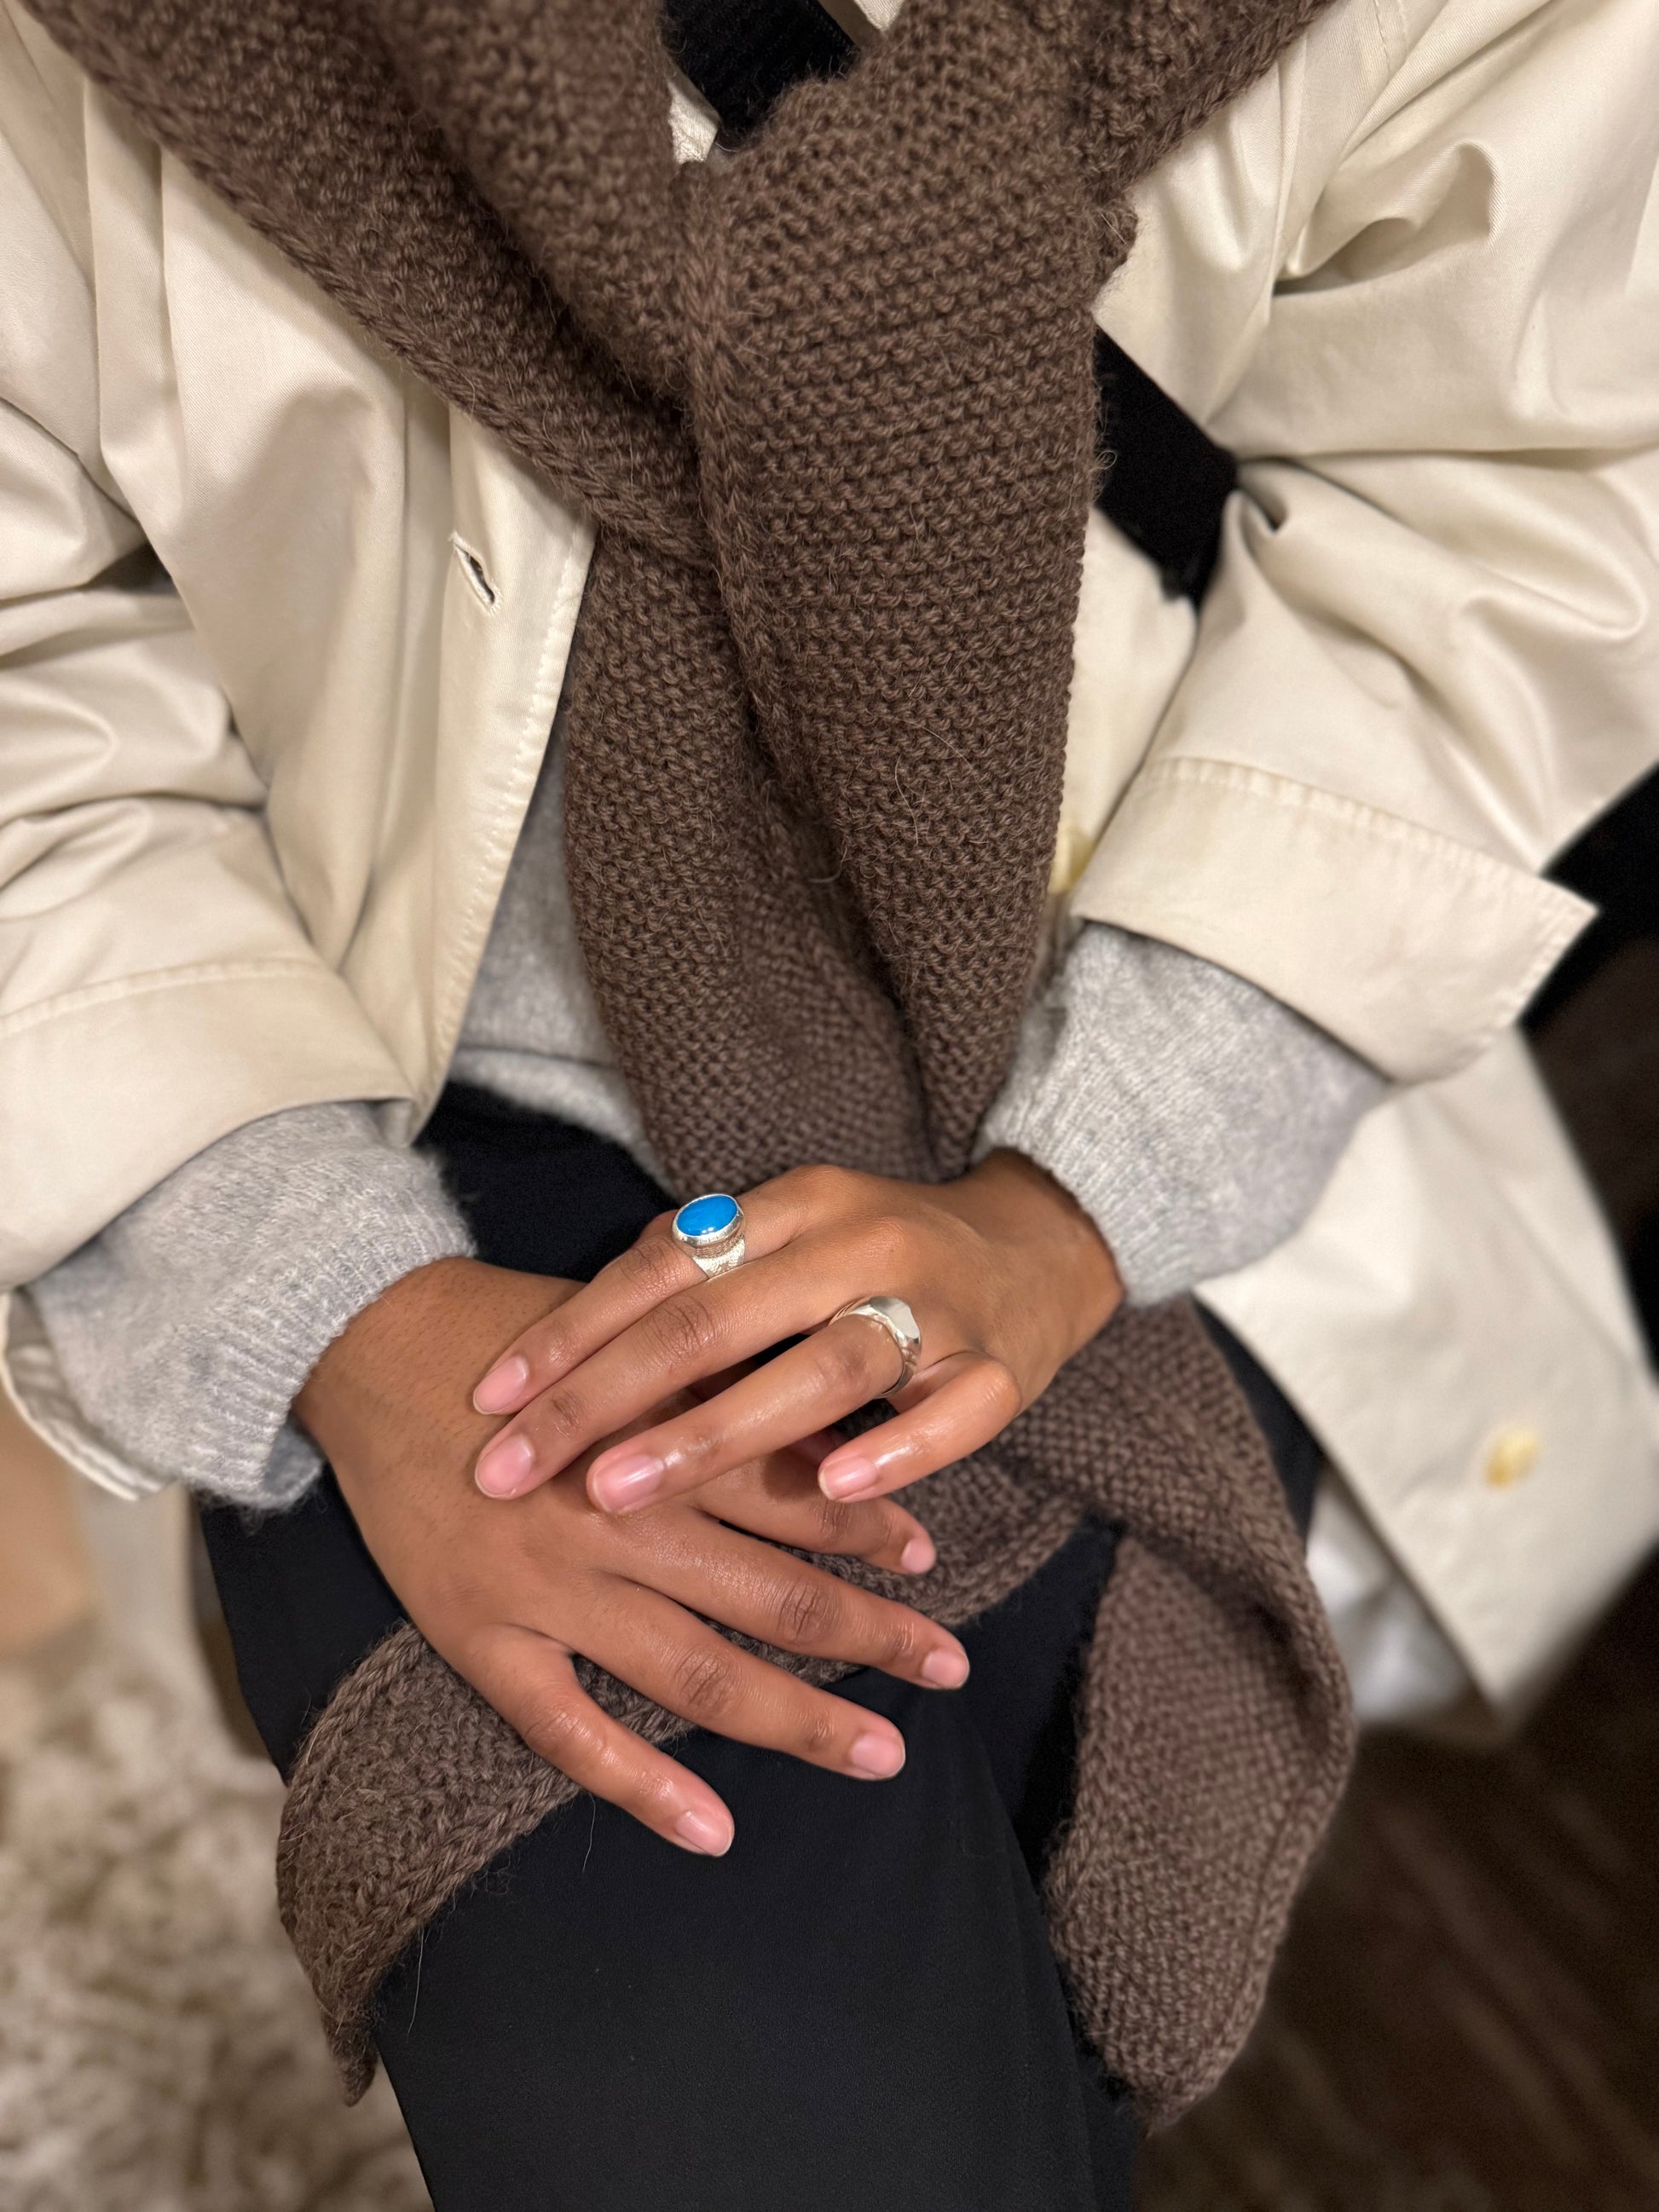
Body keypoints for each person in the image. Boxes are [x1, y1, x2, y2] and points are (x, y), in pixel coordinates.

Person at [2, 0, 1656, 2204]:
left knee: (936, 1952)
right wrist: (333, 1311)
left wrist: (1074, 1203)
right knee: (712, 2050)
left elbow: (1529, 493)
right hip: (371, 1084)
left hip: (1138, 1002)